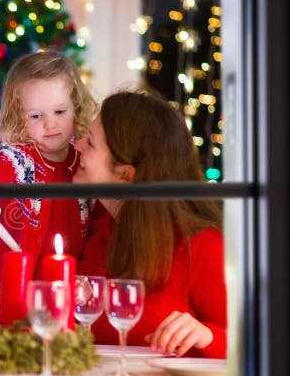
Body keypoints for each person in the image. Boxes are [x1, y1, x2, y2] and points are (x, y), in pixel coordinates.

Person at [73, 90, 226, 359]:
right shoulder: (94, 226)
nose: (77, 144)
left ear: (124, 175)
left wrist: (208, 335)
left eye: (91, 143)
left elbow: (258, 345)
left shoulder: (202, 246)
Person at [0, 50, 98, 282]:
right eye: (35, 116)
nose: (50, 124)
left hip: (77, 287)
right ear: (18, 117)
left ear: (75, 107)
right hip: (22, 286)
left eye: (60, 111)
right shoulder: (19, 158)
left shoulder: (85, 158)